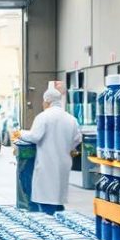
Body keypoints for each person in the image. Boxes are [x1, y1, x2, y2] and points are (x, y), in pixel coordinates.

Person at [27, 86, 83, 214]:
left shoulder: (43, 117)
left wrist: (21, 134)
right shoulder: (71, 119)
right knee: (58, 198)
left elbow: (35, 136)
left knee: (46, 197)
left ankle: (50, 222)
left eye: (43, 101)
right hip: (64, 162)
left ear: (47, 101)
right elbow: (77, 139)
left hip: (47, 163)